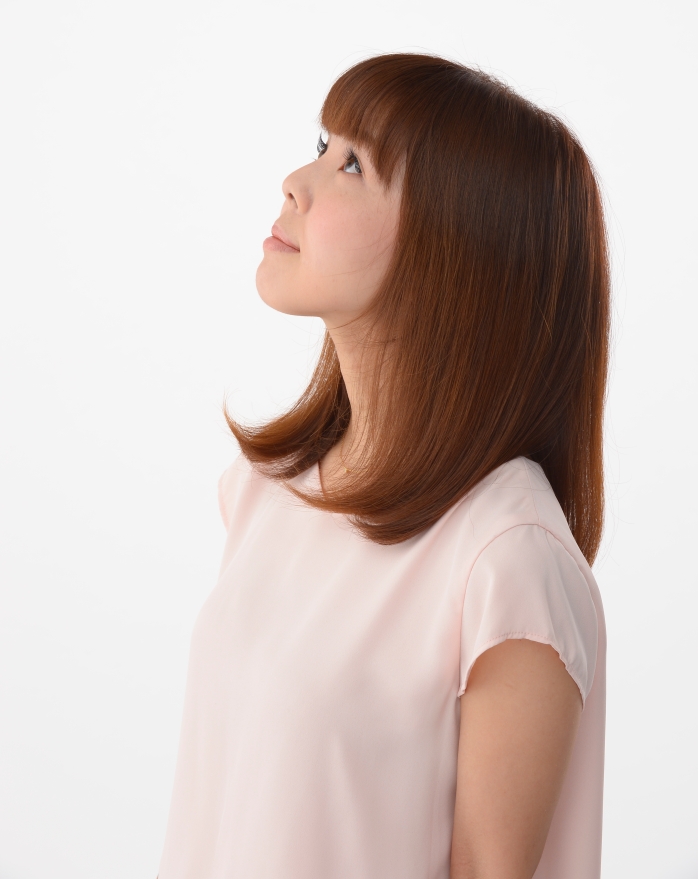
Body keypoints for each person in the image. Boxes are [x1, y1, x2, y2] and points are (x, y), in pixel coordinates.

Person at [158, 53, 609, 879]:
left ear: (455, 249)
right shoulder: (268, 496)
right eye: (322, 146)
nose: (295, 182)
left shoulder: (509, 560)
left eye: (353, 165)